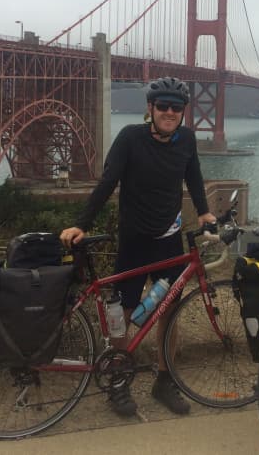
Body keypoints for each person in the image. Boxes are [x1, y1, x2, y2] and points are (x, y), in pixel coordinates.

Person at [60, 76, 216, 418]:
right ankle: (118, 381)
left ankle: (164, 380)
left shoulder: (187, 139)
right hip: (134, 240)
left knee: (168, 312)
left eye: (176, 108)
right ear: (150, 108)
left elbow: (193, 177)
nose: (170, 112)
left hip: (169, 241)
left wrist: (203, 212)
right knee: (124, 314)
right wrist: (81, 224)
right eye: (163, 106)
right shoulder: (130, 138)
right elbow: (107, 183)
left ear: (183, 112)